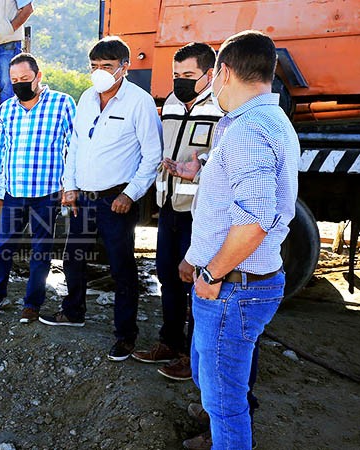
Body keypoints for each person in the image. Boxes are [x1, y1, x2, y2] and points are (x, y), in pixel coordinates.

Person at [181, 30, 298, 450]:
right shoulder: (265, 120)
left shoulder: (249, 129)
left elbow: (256, 219)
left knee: (225, 398)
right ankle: (214, 432)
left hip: (232, 287)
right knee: (208, 373)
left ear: (224, 72)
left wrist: (211, 273)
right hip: (235, 283)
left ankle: (224, 438)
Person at [52, 36, 162, 362]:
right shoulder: (86, 98)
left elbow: (152, 155)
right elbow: (75, 147)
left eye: (107, 66)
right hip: (83, 199)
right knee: (73, 258)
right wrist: (69, 186)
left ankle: (125, 336)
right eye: (94, 66)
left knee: (122, 269)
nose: (99, 72)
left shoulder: (139, 102)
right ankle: (74, 311)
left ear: (124, 68)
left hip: (116, 201)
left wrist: (130, 194)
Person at [131, 43, 223, 380]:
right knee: (167, 277)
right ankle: (169, 342)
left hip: (198, 212)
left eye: (188, 75)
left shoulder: (221, 107)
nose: (180, 81)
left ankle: (191, 355)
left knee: (195, 282)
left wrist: (199, 163)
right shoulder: (170, 102)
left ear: (209, 75)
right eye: (176, 75)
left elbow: (225, 154)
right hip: (168, 206)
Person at [0, 52, 76, 323]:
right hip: (13, 192)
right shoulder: (6, 109)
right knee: (3, 248)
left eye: (25, 78)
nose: (19, 83)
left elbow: (76, 147)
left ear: (38, 76)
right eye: (14, 80)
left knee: (41, 252)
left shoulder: (62, 103)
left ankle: (32, 303)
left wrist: (72, 186)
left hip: (47, 193)